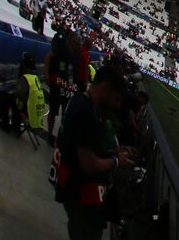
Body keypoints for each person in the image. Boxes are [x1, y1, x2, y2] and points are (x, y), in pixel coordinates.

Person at [53, 63, 136, 240]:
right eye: (116, 99)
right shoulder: (85, 111)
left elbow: (88, 147)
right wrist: (116, 162)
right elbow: (89, 164)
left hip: (77, 190)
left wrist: (113, 152)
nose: (117, 105)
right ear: (105, 88)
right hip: (80, 195)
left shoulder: (83, 103)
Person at [0, 53, 44, 135]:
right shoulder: (34, 77)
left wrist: (9, 89)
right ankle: (15, 126)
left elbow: (18, 93)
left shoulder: (26, 77)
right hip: (35, 111)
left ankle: (4, 123)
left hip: (28, 112)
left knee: (4, 96)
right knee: (16, 101)